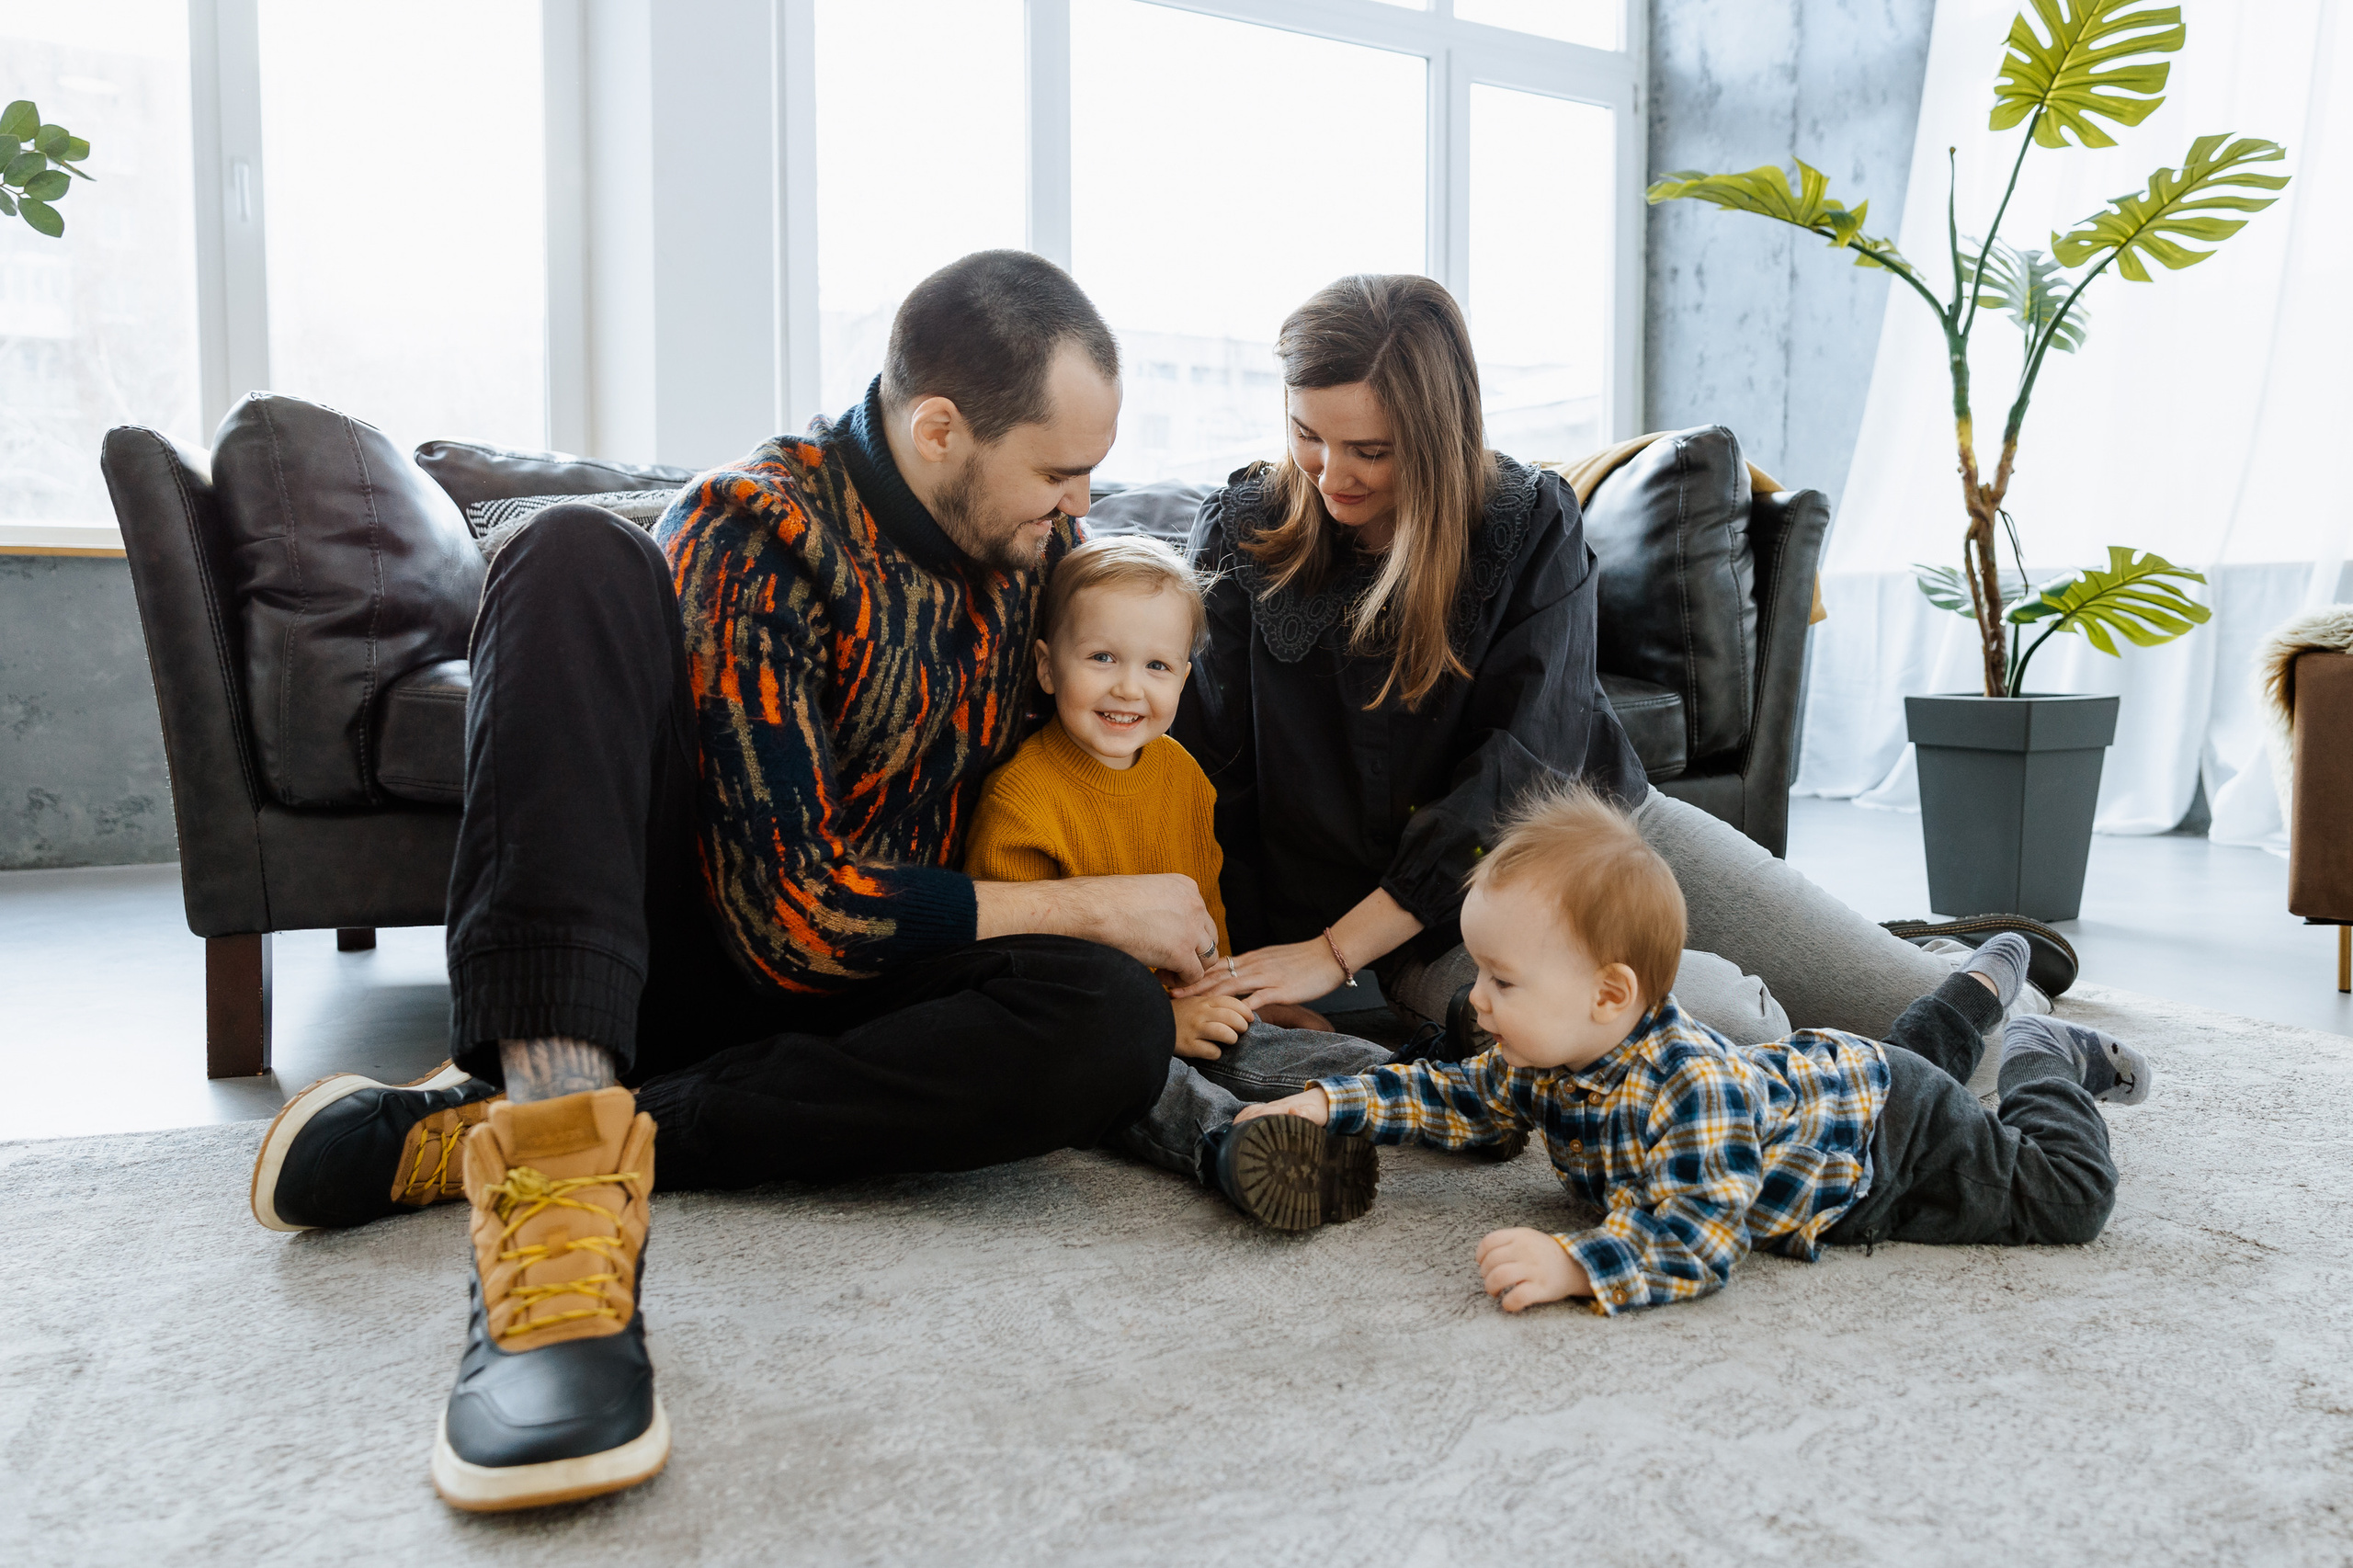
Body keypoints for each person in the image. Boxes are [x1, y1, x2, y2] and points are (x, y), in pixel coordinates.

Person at [243, 252, 1225, 1512]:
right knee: (572, 554)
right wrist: (1089, 905)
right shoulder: (759, 529)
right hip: (704, 957)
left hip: (880, 984)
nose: (1081, 502)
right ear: (940, 429)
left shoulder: (1037, 561)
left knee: (1112, 1024)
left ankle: (502, 1139)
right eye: (1057, 470)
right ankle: (554, 1177)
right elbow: (790, 924)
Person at [1169, 273, 2044, 1053]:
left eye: (1373, 451)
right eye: (1307, 435)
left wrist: (1332, 955)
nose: (1330, 477)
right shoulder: (1240, 531)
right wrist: (1242, 969)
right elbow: (1211, 777)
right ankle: (1880, 952)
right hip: (1440, 927)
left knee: (1972, 1017)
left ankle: (1919, 952)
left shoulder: (1528, 519)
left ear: (1439, 437)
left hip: (1601, 826)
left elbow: (1520, 771)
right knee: (1732, 1029)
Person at [1235, 784, 2150, 1314]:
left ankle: (2035, 1048)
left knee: (2065, 1199)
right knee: (1908, 1058)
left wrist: (1576, 1262)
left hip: (1892, 1143)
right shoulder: (1542, 1051)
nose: (1475, 1001)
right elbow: (1451, 1098)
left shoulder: (1689, 1094)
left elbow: (1697, 1235)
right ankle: (1968, 994)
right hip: (1836, 1079)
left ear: (1609, 995)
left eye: (1501, 982)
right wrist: (1328, 1103)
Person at [961, 534, 1392, 1229]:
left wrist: (1232, 994)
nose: (1129, 687)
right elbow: (1026, 991)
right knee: (1159, 1091)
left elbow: (1203, 918)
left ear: (1184, 681)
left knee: (1296, 1051)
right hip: (1100, 1044)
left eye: (1157, 665)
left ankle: (1431, 1086)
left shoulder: (1183, 778)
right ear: (1046, 667)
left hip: (1193, 1008)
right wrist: (1161, 1025)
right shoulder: (1022, 802)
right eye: (1102, 658)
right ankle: (1238, 1146)